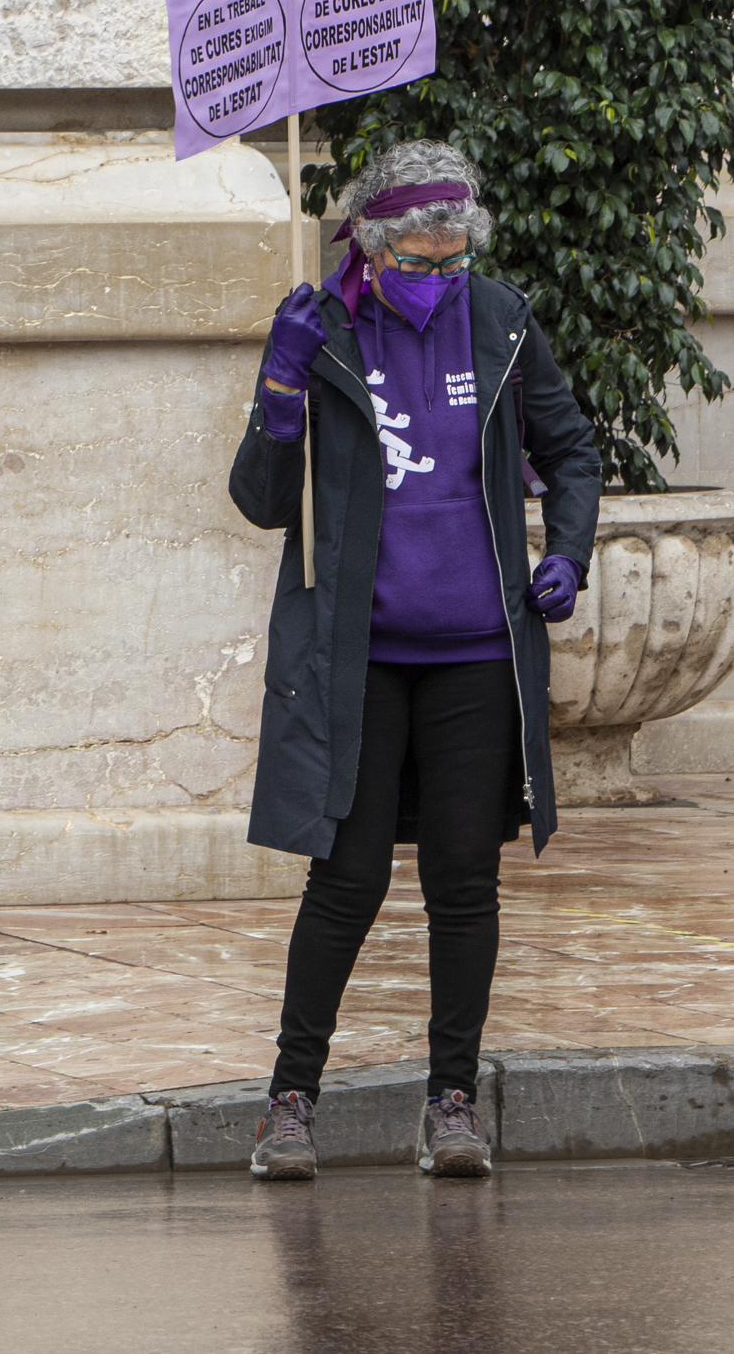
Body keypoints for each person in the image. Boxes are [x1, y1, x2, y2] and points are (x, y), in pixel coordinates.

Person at [230, 139, 599, 1182]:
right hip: (361, 655)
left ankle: (451, 1099)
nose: (440, 281)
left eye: (453, 262)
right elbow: (262, 500)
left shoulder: (501, 319)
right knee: (340, 883)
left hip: (478, 650)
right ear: (373, 248)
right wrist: (279, 382)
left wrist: (564, 548)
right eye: (420, 263)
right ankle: (289, 1101)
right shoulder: (326, 327)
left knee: (462, 883)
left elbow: (570, 449)